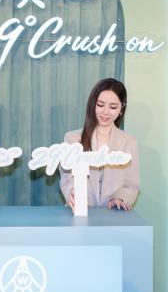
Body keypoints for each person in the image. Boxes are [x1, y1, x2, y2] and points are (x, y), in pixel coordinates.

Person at [59, 78, 140, 210]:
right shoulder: (72, 138)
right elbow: (66, 177)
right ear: (93, 105)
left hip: (114, 214)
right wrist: (72, 192)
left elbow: (131, 184)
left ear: (122, 108)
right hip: (80, 211)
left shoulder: (129, 142)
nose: (105, 112)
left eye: (113, 107)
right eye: (100, 105)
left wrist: (119, 198)